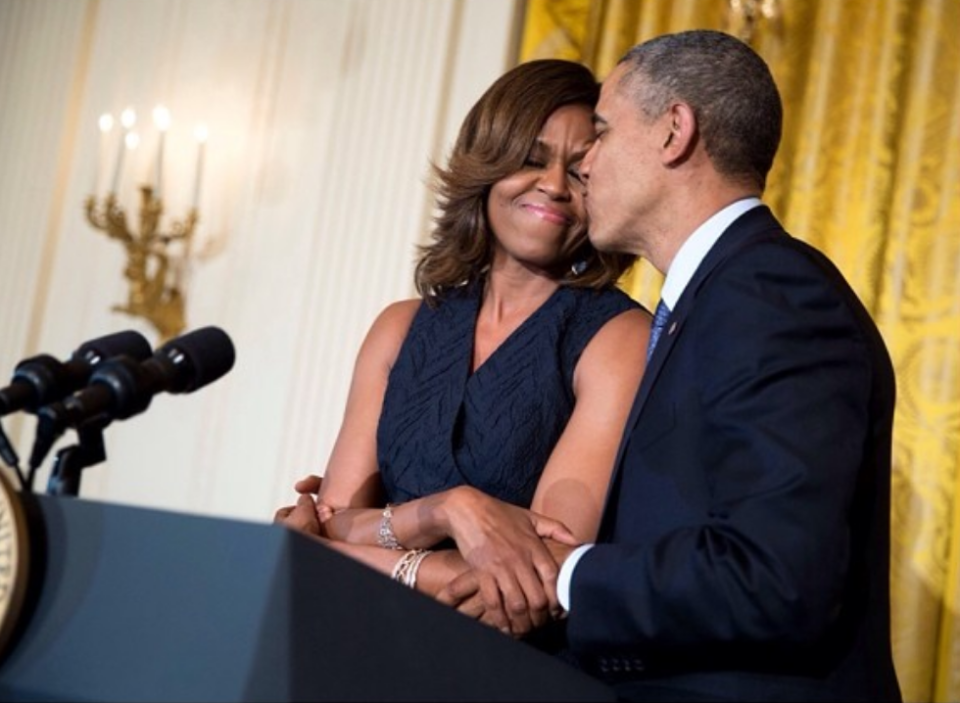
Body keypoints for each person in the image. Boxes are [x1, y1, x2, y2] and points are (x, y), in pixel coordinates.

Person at [440, 30, 902, 701]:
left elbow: (774, 577)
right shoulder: (716, 296)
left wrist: (566, 576)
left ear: (674, 132)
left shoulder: (771, 292)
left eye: (600, 131)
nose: (586, 165)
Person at [275, 58, 650, 637]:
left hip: (501, 668)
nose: (553, 185)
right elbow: (331, 519)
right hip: (355, 637)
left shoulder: (617, 338)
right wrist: (451, 510)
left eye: (579, 173)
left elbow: (537, 579)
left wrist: (362, 545)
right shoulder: (400, 328)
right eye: (531, 158)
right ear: (486, 164)